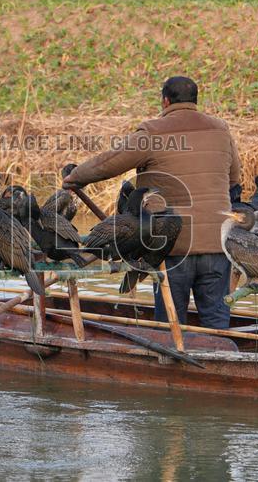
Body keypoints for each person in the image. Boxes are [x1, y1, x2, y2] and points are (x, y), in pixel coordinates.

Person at [64, 76, 241, 329]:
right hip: (218, 242)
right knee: (216, 319)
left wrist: (74, 177)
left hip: (172, 246)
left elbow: (108, 163)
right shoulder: (221, 130)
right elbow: (234, 179)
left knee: (171, 323)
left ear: (165, 100)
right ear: (195, 100)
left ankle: (173, 362)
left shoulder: (154, 132)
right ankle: (220, 359)